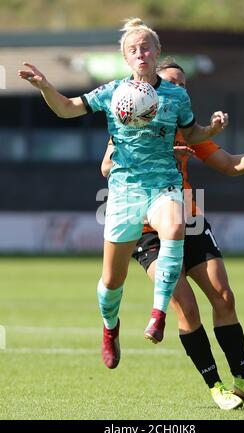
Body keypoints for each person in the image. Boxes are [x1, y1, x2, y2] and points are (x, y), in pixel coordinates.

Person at [18, 19, 228, 370]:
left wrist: (213, 129)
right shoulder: (113, 92)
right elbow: (68, 108)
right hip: (124, 192)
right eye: (133, 49)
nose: (140, 53)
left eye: (146, 47)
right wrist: (44, 87)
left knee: (175, 228)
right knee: (112, 282)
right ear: (125, 58)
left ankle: (158, 313)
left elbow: (192, 133)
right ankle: (109, 328)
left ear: (157, 52)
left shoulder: (176, 95)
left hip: (163, 185)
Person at [101, 59, 244, 409]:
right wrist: (159, 154)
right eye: (172, 81)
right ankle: (215, 386)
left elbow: (228, 164)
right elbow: (106, 166)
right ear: (153, 87)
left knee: (224, 296)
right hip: (147, 230)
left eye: (184, 85)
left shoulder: (187, 129)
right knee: (186, 307)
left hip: (189, 219)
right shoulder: (131, 122)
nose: (179, 89)